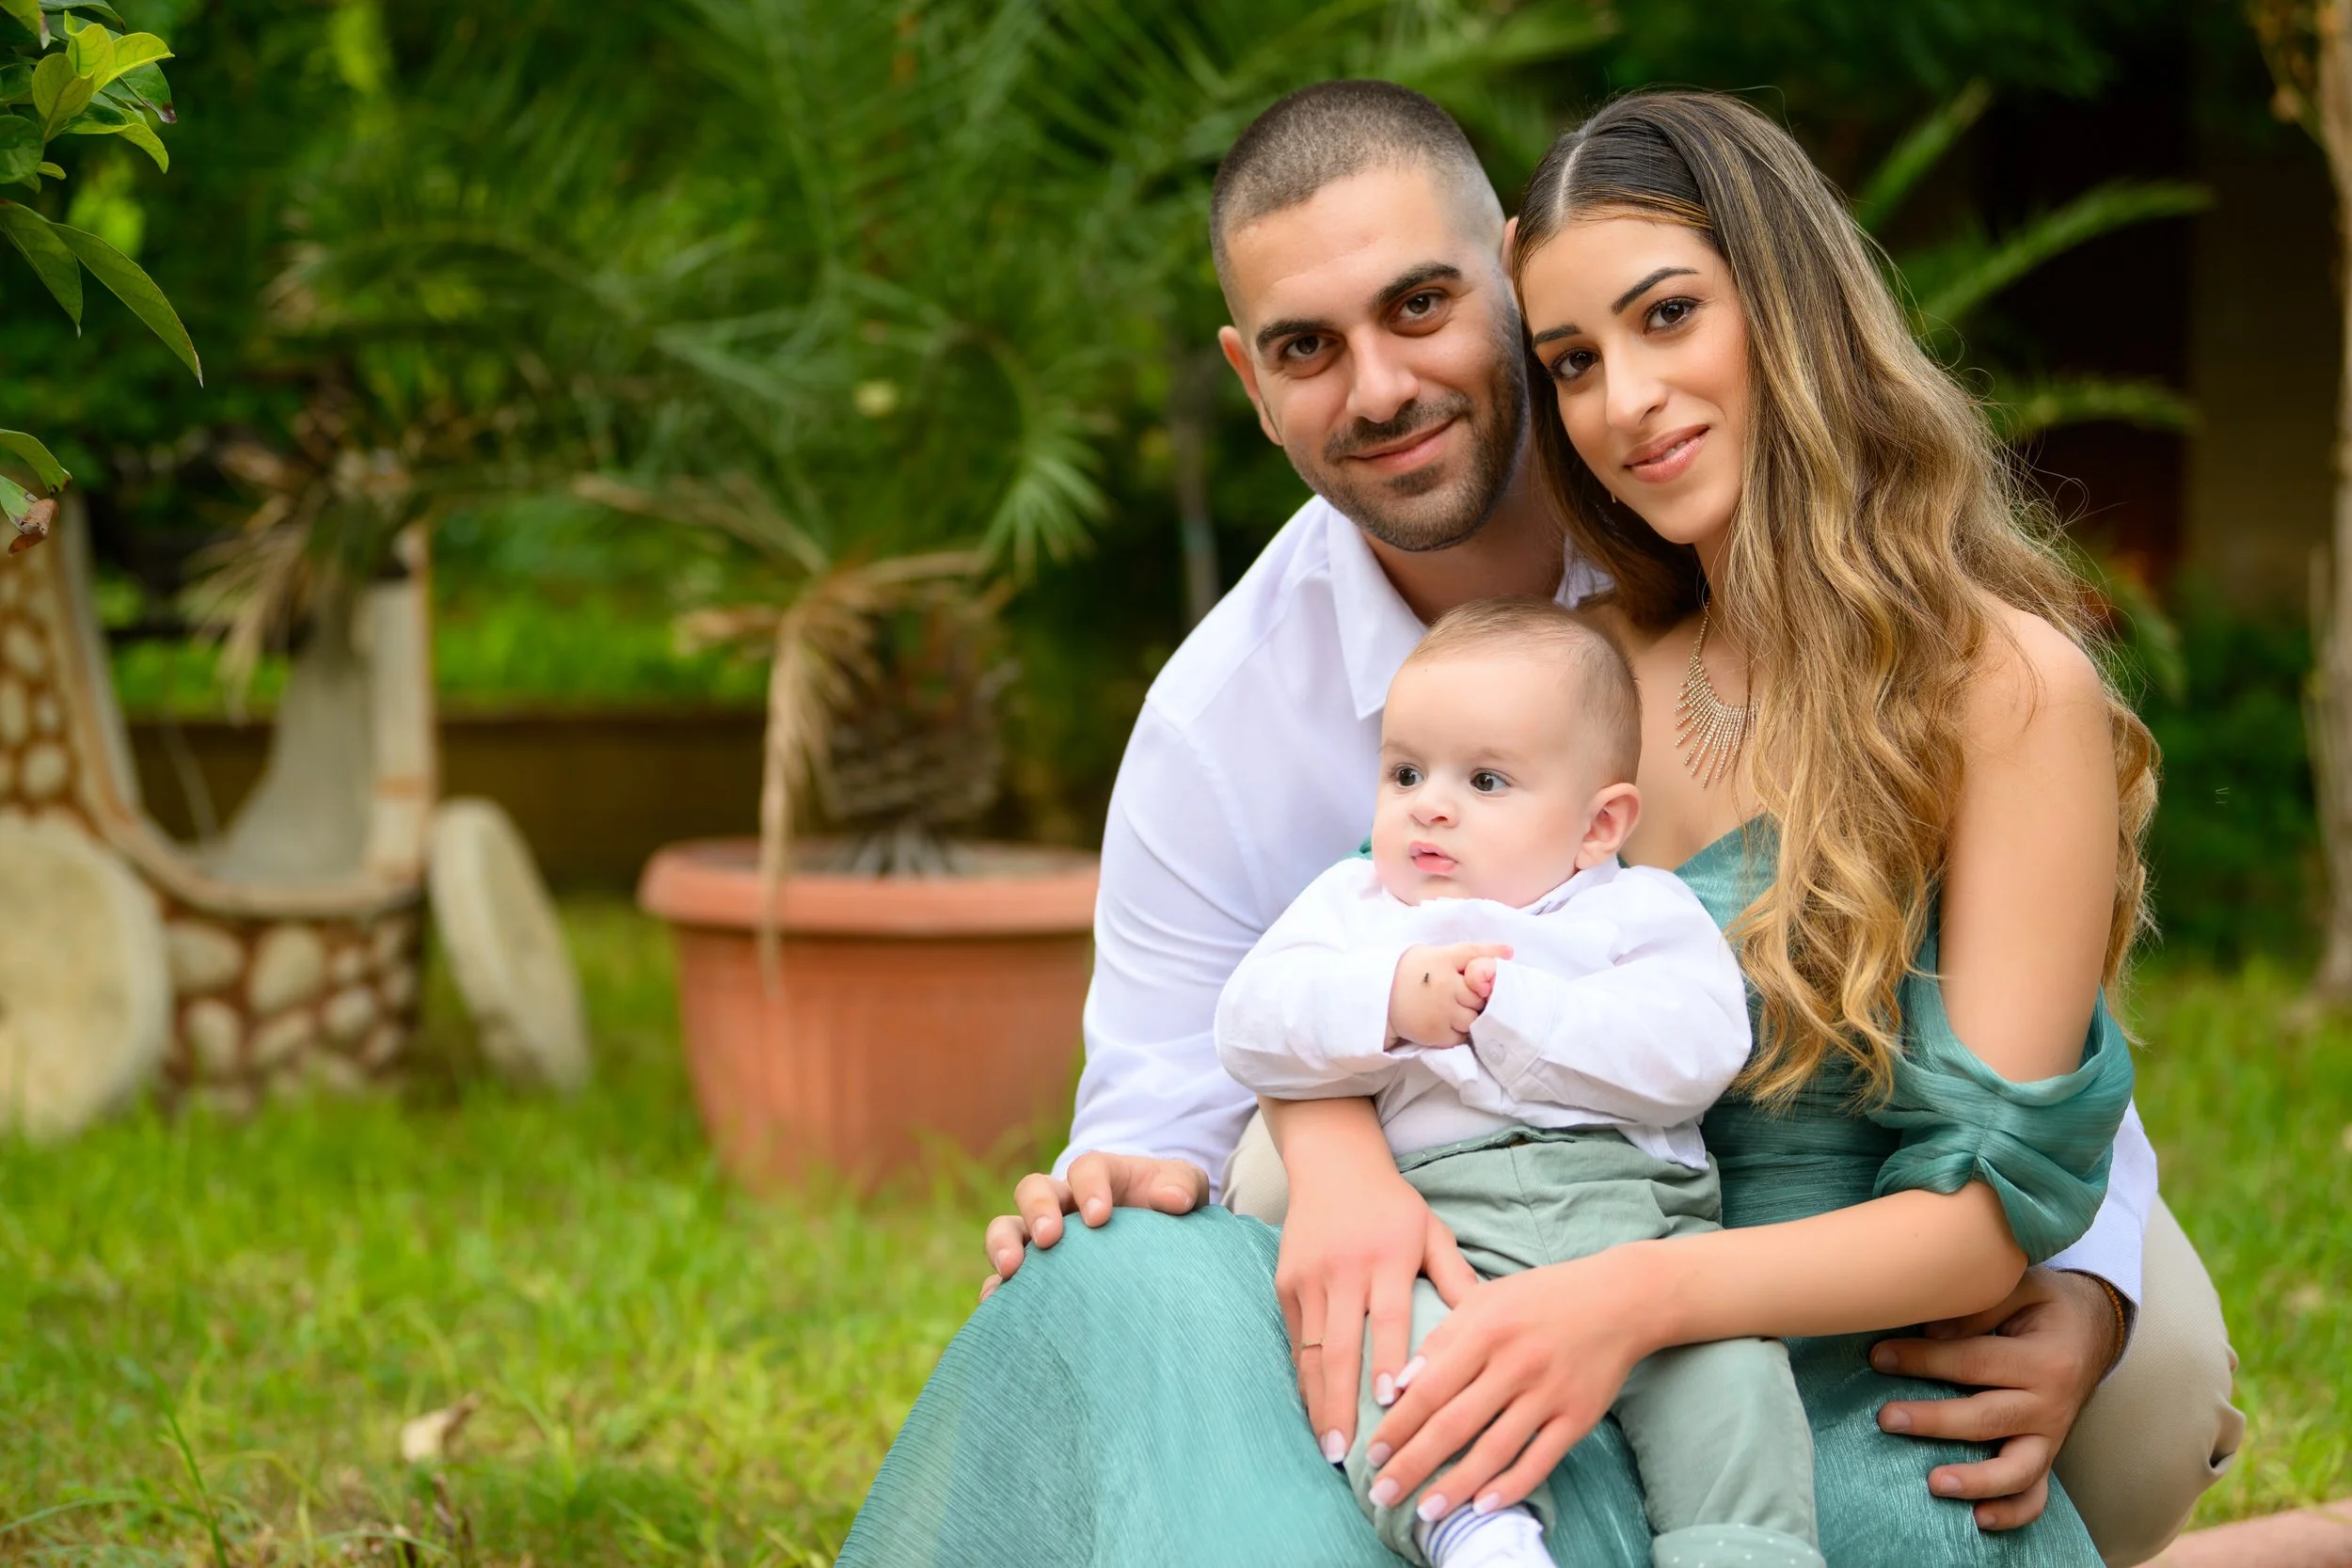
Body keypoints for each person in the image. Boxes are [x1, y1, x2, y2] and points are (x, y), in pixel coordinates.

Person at [838, 83, 2241, 1568]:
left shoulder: (2004, 684)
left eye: (1668, 317)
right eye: (1579, 358)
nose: (1624, 399)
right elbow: (1310, 977)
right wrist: (1320, 1148)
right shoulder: (1593, 669)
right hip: (1546, 1280)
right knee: (1108, 1273)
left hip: (1817, 1344)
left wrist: (2077, 1291)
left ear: (1790, 303)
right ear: (1253, 380)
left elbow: (2013, 1155)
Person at [1217, 598, 1820, 1568]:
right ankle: (1478, 1530)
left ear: (1598, 825)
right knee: (1398, 1351)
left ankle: (1743, 1544)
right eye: (1405, 771)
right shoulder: (1358, 908)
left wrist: (1514, 1011)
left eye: (1485, 778)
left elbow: (1697, 1050)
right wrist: (1388, 1000)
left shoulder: (1635, 911)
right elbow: (1249, 1018)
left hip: (1635, 1219)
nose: (1430, 803)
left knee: (1733, 1379)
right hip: (1443, 1232)